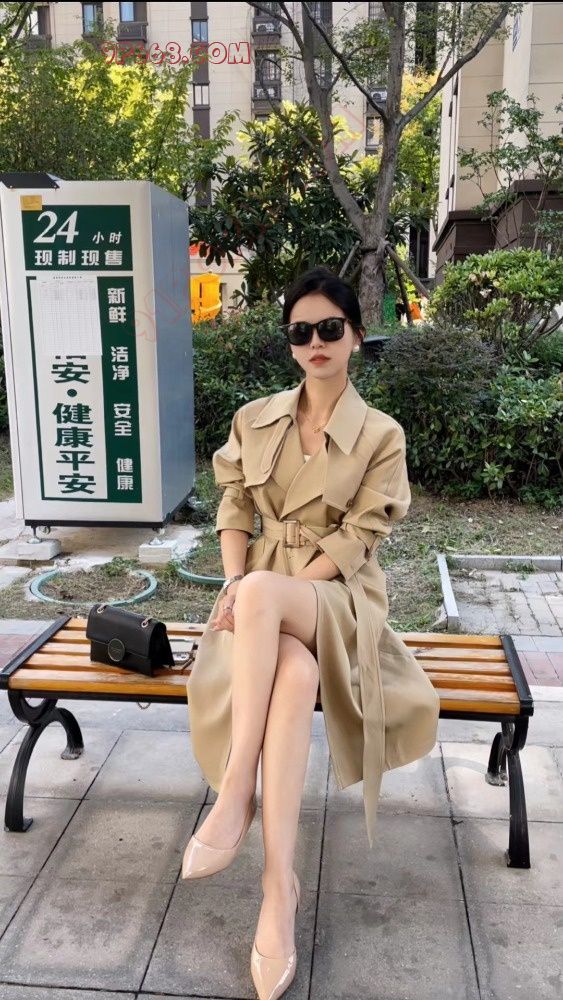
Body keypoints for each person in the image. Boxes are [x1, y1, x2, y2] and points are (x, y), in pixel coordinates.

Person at [183, 266, 440, 1000]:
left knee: (266, 594)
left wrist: (260, 589)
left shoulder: (380, 434)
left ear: (355, 335)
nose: (315, 342)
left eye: (330, 328)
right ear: (290, 342)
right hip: (261, 597)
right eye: (301, 331)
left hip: (339, 596)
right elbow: (234, 507)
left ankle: (235, 789)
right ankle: (277, 890)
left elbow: (360, 537)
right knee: (292, 676)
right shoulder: (254, 417)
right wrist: (236, 582)